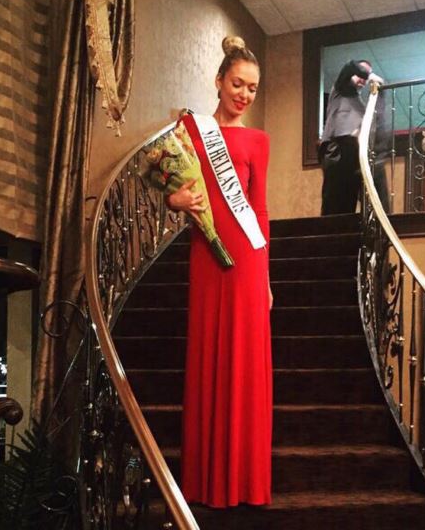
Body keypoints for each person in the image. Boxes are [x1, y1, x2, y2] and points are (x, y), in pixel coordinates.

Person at [167, 36, 272, 508]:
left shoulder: (258, 141)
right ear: (218, 81)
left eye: (252, 88)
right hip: (206, 254)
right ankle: (204, 480)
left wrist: (266, 279)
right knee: (208, 356)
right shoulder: (190, 128)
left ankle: (245, 480)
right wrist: (175, 200)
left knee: (245, 363)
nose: (244, 94)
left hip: (247, 262)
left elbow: (260, 210)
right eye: (237, 84)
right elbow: (170, 184)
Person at [318, 59, 388, 214]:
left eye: (364, 77)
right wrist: (368, 74)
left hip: (356, 154)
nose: (362, 79)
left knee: (352, 200)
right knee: (335, 202)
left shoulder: (362, 106)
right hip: (338, 151)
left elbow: (377, 122)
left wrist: (381, 92)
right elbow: (349, 67)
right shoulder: (340, 90)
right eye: (360, 74)